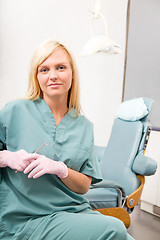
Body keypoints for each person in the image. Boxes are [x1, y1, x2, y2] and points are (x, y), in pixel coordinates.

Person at [0, 39, 134, 240]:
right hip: (29, 218)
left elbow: (84, 186)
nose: (53, 75)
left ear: (72, 73)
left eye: (60, 67)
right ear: (36, 77)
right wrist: (7, 158)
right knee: (114, 229)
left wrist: (61, 169)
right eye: (44, 70)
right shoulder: (14, 111)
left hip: (75, 212)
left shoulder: (84, 125)